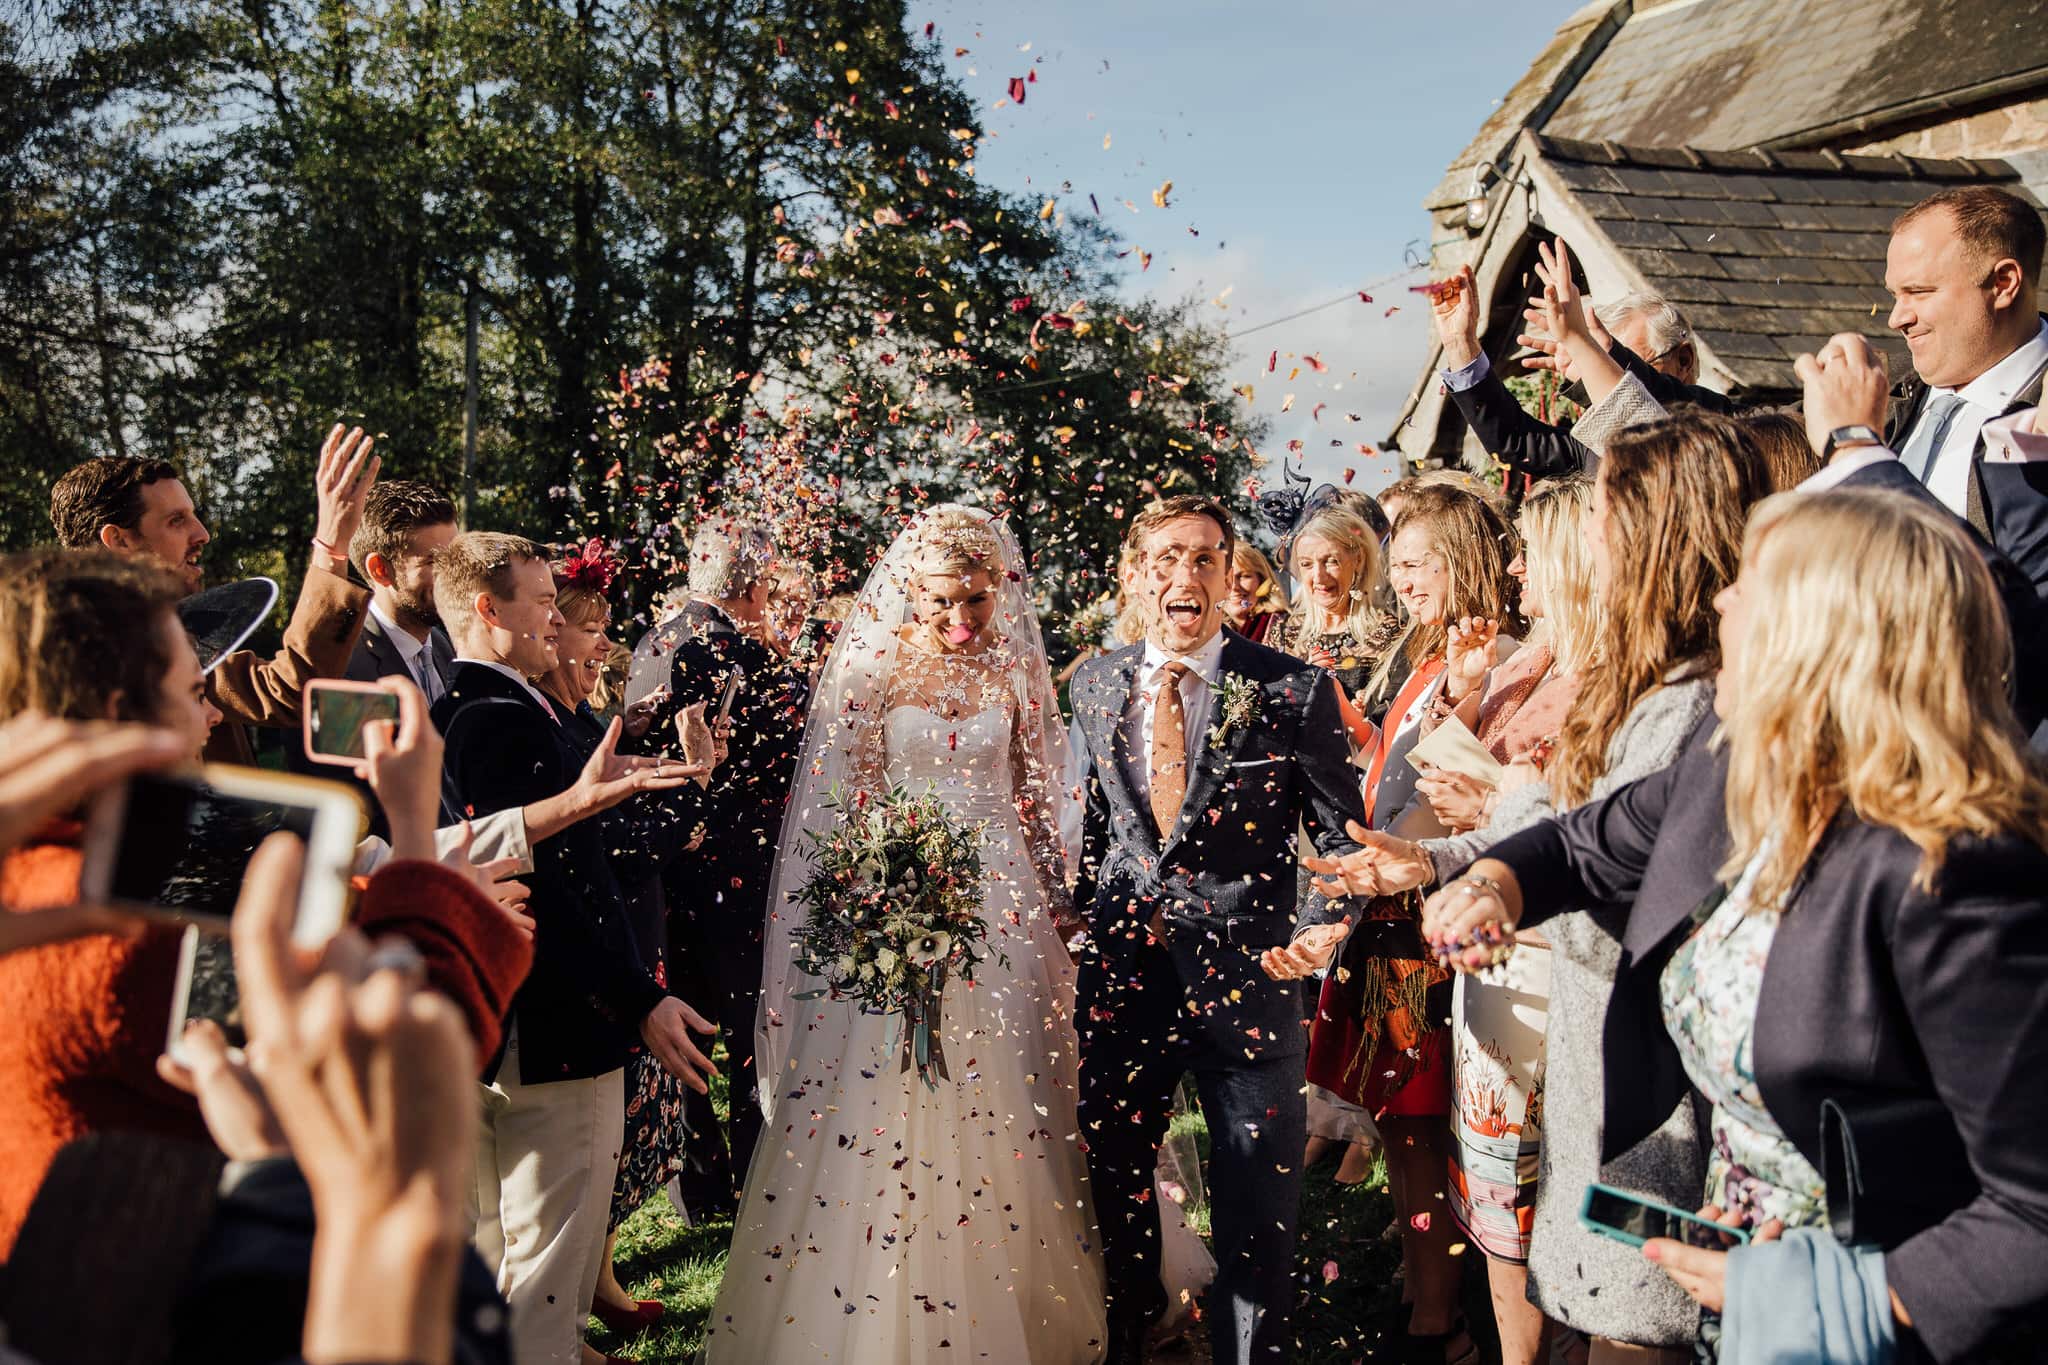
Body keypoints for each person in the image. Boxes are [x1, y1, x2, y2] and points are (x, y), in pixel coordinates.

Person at [1421, 488, 2048, 1364]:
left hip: (1883, 1320)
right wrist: (1491, 886)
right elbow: (1578, 844)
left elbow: (2034, 1209)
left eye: (1748, 584)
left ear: (1826, 629)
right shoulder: (1738, 771)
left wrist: (1830, 1292)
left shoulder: (1957, 873)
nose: (1720, 600)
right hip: (1744, 1297)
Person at [1313, 415, 1777, 1363]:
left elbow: (1633, 878)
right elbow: (1588, 837)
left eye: (1600, 522)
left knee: (1634, 1329)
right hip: (1600, 1060)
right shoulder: (1661, 691)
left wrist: (1494, 873)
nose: (1576, 546)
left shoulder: (1697, 702)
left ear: (1654, 540)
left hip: (1653, 1089)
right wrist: (1454, 866)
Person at [708, 506, 1111, 1362]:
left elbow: (1035, 803)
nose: (962, 620)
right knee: (885, 1092)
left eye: (977, 601)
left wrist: (1059, 898)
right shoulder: (871, 674)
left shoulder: (1012, 673)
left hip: (1000, 910)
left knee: (1005, 1088)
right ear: (908, 593)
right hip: (896, 901)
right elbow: (844, 805)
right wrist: (875, 898)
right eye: (943, 602)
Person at [1067, 494, 1366, 1365]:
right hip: (1124, 983)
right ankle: (1128, 1341)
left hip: (1252, 982)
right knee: (1115, 1190)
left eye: (1203, 558)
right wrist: (1077, 910)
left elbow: (1340, 839)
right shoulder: (1093, 682)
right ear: (1135, 575)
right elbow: (1100, 825)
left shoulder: (1292, 687)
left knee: (1256, 1214)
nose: (1184, 576)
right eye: (1165, 557)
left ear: (1230, 576)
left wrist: (1323, 928)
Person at [431, 531, 717, 1365]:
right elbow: (567, 888)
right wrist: (638, 997)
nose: (559, 621)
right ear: (489, 610)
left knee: (506, 1257)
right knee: (547, 1278)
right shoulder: (498, 719)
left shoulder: (481, 709)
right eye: (544, 602)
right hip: (557, 1023)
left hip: (508, 1019)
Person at [1299, 482, 1516, 1363]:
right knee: (1401, 1117)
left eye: (1422, 562)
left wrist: (1465, 699)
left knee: (1426, 1119)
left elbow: (1477, 791)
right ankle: (1426, 1283)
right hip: (1388, 914)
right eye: (1406, 562)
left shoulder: (1499, 655)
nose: (1407, 578)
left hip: (1435, 920)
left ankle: (1441, 1321)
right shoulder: (1429, 655)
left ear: (1465, 560)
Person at [536, 544, 718, 1348]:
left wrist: (636, 734)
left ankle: (596, 1282)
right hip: (603, 963)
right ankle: (567, 1314)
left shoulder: (577, 716)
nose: (605, 642)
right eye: (592, 627)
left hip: (635, 943)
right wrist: (697, 779)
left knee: (624, 1139)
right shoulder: (543, 725)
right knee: (596, 1150)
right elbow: (626, 845)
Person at [630, 516, 808, 1214]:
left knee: (691, 1023)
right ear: (757, 583)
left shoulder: (654, 639)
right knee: (746, 1026)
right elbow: (780, 765)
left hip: (667, 868)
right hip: (736, 867)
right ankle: (752, 1176)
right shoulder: (741, 656)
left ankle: (698, 1187)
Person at [46, 426, 380, 765]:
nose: (202, 534)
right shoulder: (71, 658)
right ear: (118, 541)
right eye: (176, 521)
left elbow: (291, 692)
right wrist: (329, 545)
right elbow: (291, 692)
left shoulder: (174, 634)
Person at [1882, 185, 2048, 591]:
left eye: (1919, 292)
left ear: (2004, 283)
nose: (1896, 318)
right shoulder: (1881, 390)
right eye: (1894, 295)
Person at [1431, 255, 1733, 478]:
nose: (1605, 376)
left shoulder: (1729, 427)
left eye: (1627, 365)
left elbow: (1664, 414)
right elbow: (1517, 442)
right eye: (1604, 363)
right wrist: (1461, 343)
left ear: (1684, 360)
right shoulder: (1594, 449)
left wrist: (1592, 352)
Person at [1266, 504, 1404, 725]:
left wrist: (1361, 715)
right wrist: (1302, 680)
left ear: (1357, 560)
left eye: (1331, 561)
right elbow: (1265, 710)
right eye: (1306, 564)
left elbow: (1394, 718)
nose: (1318, 576)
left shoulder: (1388, 633)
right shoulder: (1285, 631)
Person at [1221, 542, 1287, 644]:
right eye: (1225, 578)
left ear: (1262, 580)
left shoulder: (1285, 628)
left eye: (1244, 576)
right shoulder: (1207, 633)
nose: (1234, 587)